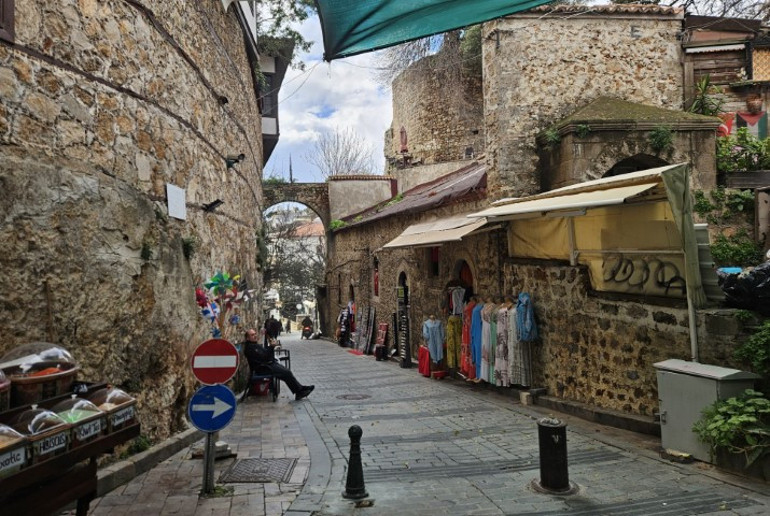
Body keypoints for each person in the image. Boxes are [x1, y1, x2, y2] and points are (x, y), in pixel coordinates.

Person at [242, 328, 314, 400]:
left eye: (255, 334)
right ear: (248, 338)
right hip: (263, 368)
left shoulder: (255, 345)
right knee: (286, 372)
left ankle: (300, 389)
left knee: (286, 372)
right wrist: (272, 347)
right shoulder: (250, 348)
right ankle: (299, 391)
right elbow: (264, 357)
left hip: (268, 365)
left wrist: (271, 348)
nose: (255, 336)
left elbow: (266, 355)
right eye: (252, 335)